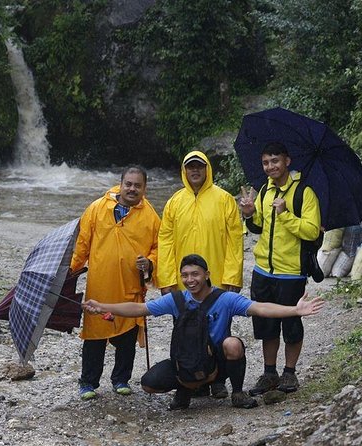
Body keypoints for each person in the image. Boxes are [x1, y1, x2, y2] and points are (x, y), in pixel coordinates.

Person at [82, 254, 324, 411]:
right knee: (148, 384)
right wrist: (103, 306)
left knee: (233, 344)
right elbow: (139, 308)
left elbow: (260, 307)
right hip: (186, 359)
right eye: (185, 275)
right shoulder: (175, 300)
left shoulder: (225, 299)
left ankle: (236, 393)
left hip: (217, 359)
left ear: (206, 275)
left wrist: (295, 309)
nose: (190, 280)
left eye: (195, 274)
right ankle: (186, 389)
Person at [157, 150, 244, 398]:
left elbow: (235, 240)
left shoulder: (224, 199)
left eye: (199, 167)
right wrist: (167, 280)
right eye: (190, 167)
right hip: (185, 282)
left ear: (207, 169)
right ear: (184, 171)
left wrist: (231, 278)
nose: (195, 171)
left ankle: (219, 379)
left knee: (218, 332)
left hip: (215, 281)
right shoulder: (175, 201)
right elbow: (165, 241)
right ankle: (192, 380)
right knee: (185, 331)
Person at [71, 165, 160, 401]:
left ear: (144, 188)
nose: (132, 189)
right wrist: (70, 271)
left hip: (130, 287)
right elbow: (82, 244)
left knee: (127, 336)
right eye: (128, 184)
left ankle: (121, 379)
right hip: (100, 285)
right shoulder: (97, 208)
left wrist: (149, 263)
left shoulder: (150, 216)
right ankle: (88, 382)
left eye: (137, 185)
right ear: (120, 184)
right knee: (94, 336)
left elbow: (158, 248)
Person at [239, 142, 321, 395]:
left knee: (291, 323)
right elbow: (259, 228)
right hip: (263, 269)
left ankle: (290, 373)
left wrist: (285, 214)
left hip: (291, 271)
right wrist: (251, 214)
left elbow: (311, 231)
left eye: (275, 160)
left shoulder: (304, 193)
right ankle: (269, 372)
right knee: (266, 324)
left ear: (287, 161)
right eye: (266, 162)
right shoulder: (264, 191)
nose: (270, 166)